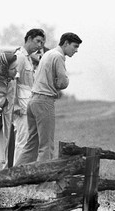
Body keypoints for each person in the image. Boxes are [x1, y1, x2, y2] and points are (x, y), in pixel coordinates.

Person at [15, 32, 82, 166]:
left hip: (33, 101)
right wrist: (59, 82)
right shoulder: (58, 56)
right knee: (46, 145)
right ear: (66, 43)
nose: (76, 50)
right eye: (75, 46)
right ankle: (44, 181)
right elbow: (63, 83)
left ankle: (14, 177)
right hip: (44, 101)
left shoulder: (48, 53)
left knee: (31, 144)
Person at [12, 29, 46, 165]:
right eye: (38, 41)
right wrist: (15, 104)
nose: (40, 45)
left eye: (42, 42)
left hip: (29, 104)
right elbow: (12, 81)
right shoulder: (19, 57)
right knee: (22, 141)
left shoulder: (28, 58)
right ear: (29, 39)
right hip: (21, 105)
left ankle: (23, 172)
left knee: (29, 141)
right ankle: (16, 174)